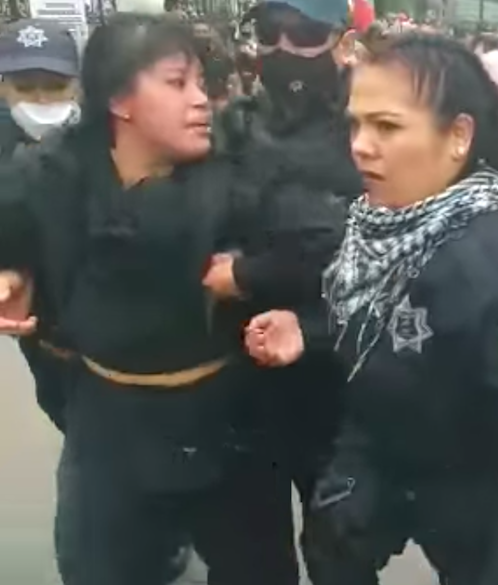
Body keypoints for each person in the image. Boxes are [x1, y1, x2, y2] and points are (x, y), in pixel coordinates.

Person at [243, 31, 498, 585]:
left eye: (386, 127)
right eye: (356, 125)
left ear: (458, 136)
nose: (361, 146)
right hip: (387, 458)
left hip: (482, 494)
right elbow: (396, 319)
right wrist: (311, 329)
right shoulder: (381, 222)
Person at [0, 13, 341, 584]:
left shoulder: (241, 170)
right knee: (99, 567)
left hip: (229, 425)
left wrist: (252, 274)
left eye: (202, 84)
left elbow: (324, 245)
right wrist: (11, 268)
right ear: (119, 99)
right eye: (177, 83)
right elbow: (13, 223)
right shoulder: (52, 170)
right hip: (106, 424)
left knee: (255, 571)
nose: (201, 100)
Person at [216, 0, 361, 526]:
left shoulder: (371, 125)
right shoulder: (234, 125)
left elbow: (386, 248)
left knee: (339, 550)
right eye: (270, 32)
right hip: (246, 381)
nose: (283, 48)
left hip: (342, 379)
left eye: (302, 33)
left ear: (341, 43)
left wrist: (252, 272)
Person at [0, 18, 81, 431]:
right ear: (3, 87)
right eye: (24, 86)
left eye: (53, 86)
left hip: (129, 348)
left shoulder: (114, 138)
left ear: (76, 85)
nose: (39, 99)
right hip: (46, 338)